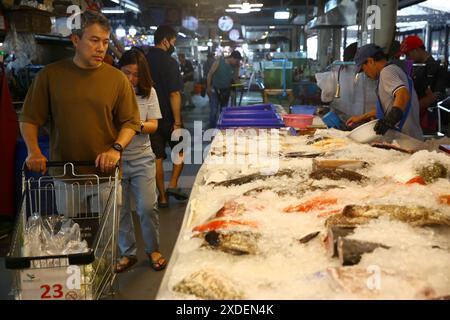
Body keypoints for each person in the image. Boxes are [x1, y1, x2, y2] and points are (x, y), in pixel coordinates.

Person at [19, 11, 140, 215]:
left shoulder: (117, 79)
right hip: (65, 175)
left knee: (105, 241)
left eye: (105, 41)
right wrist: (34, 151)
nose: (101, 48)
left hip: (105, 176)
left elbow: (131, 121)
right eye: (94, 40)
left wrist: (116, 149)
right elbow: (29, 118)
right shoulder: (49, 76)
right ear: (75, 40)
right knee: (71, 239)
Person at [115, 50, 167, 273]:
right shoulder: (111, 92)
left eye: (136, 74)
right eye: (126, 72)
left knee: (147, 207)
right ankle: (127, 253)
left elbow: (154, 125)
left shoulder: (149, 93)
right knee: (120, 210)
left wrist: (133, 125)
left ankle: (153, 249)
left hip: (142, 159)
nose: (130, 79)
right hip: (115, 161)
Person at [145, 25, 187, 208]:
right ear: (165, 41)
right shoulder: (170, 62)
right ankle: (173, 185)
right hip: (170, 117)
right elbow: (174, 94)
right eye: (173, 42)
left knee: (157, 158)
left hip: (149, 117)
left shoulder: (143, 61)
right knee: (180, 151)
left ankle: (162, 197)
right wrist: (177, 122)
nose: (173, 45)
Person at [346, 44, 423, 141]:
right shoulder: (394, 69)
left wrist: (389, 121)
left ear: (370, 61)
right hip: (410, 138)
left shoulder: (386, 72)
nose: (365, 73)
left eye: (363, 69)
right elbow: (390, 106)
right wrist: (362, 117)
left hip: (407, 140)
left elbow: (403, 94)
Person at [400, 35, 448, 134]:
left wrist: (412, 106)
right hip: (413, 116)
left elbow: (437, 97)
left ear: (416, 50)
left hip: (427, 121)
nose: (407, 57)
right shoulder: (413, 66)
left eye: (408, 54)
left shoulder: (437, 68)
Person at [207, 50, 242, 128]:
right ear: (232, 58)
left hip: (226, 91)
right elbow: (210, 74)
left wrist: (240, 84)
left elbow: (235, 78)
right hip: (215, 90)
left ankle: (221, 128)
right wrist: (208, 87)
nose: (237, 62)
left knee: (223, 111)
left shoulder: (235, 66)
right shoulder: (219, 62)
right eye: (236, 60)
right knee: (214, 111)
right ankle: (211, 129)